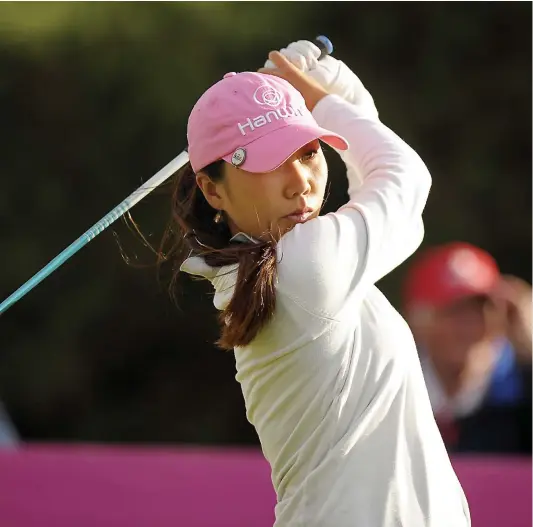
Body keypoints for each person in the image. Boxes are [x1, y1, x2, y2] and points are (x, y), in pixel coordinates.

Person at [162, 40, 470, 526]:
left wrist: (334, 89)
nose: (300, 181)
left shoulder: (295, 268)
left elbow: (388, 190)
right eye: (268, 160)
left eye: (309, 151)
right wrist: (325, 95)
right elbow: (402, 179)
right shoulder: (303, 271)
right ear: (211, 188)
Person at [403, 241, 532, 453]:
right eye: (454, 312)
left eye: (482, 310)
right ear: (417, 319)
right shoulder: (391, 388)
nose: (470, 326)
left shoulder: (521, 390)